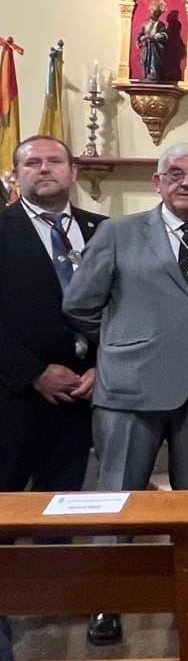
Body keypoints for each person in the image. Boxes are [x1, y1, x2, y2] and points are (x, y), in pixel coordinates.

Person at [63, 142, 188, 646]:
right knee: (117, 501)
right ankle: (106, 601)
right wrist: (121, 343)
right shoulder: (118, 233)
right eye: (175, 174)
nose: (186, 182)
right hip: (130, 390)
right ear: (157, 182)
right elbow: (79, 305)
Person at [0, 136, 106, 495]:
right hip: (16, 398)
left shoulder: (106, 231)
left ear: (73, 171)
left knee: (62, 517)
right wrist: (34, 373)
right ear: (15, 176)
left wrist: (102, 367)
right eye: (32, 163)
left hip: (86, 396)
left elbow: (125, 309)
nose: (44, 168)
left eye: (55, 161)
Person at [136, 0, 168, 82]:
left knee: (154, 61)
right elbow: (140, 34)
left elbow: (164, 36)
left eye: (155, 12)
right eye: (152, 11)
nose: (153, 13)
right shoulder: (145, 23)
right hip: (146, 47)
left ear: (158, 13)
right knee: (145, 60)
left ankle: (153, 74)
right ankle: (146, 74)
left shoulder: (160, 25)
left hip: (155, 48)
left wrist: (153, 37)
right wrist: (140, 39)